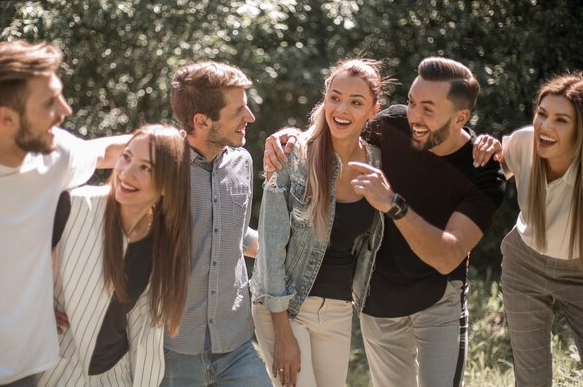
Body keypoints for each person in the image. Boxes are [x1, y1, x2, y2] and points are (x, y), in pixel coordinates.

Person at [265, 57, 506, 386]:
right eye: (411, 102)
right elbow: (338, 125)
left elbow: (448, 254)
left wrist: (394, 205)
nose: (414, 117)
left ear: (460, 117)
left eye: (428, 109)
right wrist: (289, 136)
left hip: (438, 300)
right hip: (378, 301)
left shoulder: (483, 172)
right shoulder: (390, 125)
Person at [0, 40, 129, 387]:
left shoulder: (54, 155)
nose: (65, 109)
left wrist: (192, 139)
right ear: (6, 117)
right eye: (50, 102)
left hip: (28, 370)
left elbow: (108, 152)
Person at [249, 59, 386, 387]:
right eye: (335, 97)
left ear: (373, 110)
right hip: (285, 305)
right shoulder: (292, 157)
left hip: (339, 309)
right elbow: (270, 248)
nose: (342, 109)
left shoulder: (378, 161)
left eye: (356, 102)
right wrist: (282, 334)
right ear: (324, 98)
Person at [34, 124, 192, 386]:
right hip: (51, 370)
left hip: (114, 377)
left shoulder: (162, 245)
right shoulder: (70, 205)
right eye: (126, 158)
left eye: (146, 168)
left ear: (167, 185)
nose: (127, 173)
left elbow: (145, 336)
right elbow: (13, 264)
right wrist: (34, 311)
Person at [159, 61, 271, 387]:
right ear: (202, 121)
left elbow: (235, 234)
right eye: (238, 111)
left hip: (235, 344)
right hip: (175, 350)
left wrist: (283, 254)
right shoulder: (162, 167)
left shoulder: (242, 162)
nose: (249, 117)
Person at [474, 73, 583, 387]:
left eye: (561, 120)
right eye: (542, 114)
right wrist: (489, 150)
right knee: (531, 379)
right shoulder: (524, 141)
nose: (545, 126)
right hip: (524, 265)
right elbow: (495, 172)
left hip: (579, 272)